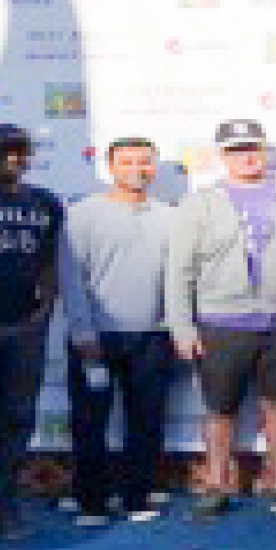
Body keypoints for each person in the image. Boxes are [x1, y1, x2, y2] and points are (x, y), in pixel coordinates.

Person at [165, 119, 276, 520]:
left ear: (265, 150)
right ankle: (215, 484)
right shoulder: (200, 201)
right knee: (219, 410)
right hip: (220, 322)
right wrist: (181, 326)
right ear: (221, 155)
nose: (246, 156)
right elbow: (179, 269)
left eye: (252, 147)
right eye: (235, 150)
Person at [58, 137, 174, 527]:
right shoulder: (83, 214)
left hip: (153, 337)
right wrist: (82, 333)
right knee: (89, 422)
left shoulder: (169, 216)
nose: (137, 170)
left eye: (145, 162)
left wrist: (175, 325)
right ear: (111, 167)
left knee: (147, 421)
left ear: (154, 168)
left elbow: (177, 278)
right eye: (126, 162)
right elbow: (72, 279)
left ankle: (136, 496)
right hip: (96, 338)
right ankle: (91, 500)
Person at [0, 124, 64, 545]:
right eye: (4, 151)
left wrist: (46, 305)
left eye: (21, 152)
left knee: (17, 420)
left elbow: (49, 260)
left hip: (24, 329)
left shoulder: (45, 202)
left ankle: (3, 505)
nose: (13, 159)